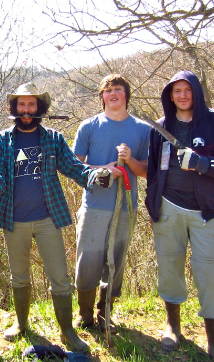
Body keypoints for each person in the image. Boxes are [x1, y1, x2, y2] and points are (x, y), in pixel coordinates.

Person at [0, 82, 109, 352]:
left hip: (48, 218)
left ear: (39, 107)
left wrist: (93, 175)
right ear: (14, 108)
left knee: (60, 277)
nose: (26, 110)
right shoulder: (2, 140)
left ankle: (67, 331)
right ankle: (21, 324)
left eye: (31, 104)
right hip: (14, 219)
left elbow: (73, 166)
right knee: (19, 276)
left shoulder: (53, 138)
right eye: (21, 104)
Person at [145, 70, 214, 362]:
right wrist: (153, 204)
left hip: (207, 212)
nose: (183, 96)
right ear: (170, 95)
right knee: (170, 269)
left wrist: (203, 164)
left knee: (210, 275)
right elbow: (152, 170)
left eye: (188, 90)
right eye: (177, 91)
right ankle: (173, 328)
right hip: (169, 209)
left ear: (197, 92)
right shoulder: (161, 128)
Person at [71, 74, 150, 334]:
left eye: (118, 89)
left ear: (127, 95)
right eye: (107, 90)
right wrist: (102, 168)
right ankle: (84, 316)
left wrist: (129, 161)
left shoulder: (142, 129)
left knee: (116, 260)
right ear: (102, 96)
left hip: (126, 206)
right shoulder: (89, 126)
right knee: (88, 260)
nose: (113, 94)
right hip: (94, 205)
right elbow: (74, 165)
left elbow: (148, 171)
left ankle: (106, 313)